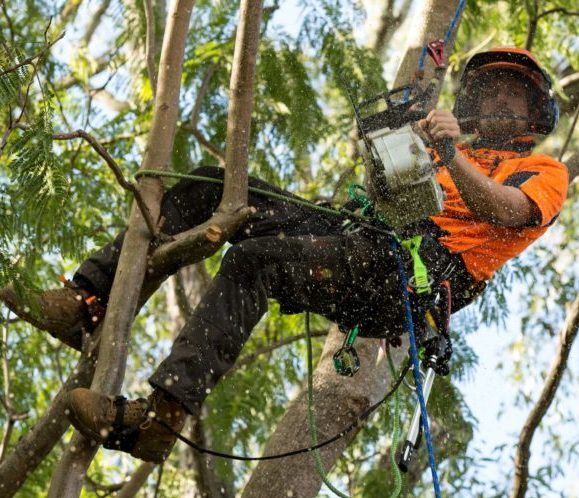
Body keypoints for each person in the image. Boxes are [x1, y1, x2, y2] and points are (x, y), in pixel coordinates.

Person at [0, 47, 568, 463]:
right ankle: (88, 300)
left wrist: (447, 150)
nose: (500, 100)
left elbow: (507, 210)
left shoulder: (545, 171)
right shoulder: (445, 151)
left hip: (411, 279)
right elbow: (388, 196)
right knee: (217, 186)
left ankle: (160, 417)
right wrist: (403, 138)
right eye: (491, 89)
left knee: (257, 261)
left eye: (514, 95)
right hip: (363, 237)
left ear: (534, 114)